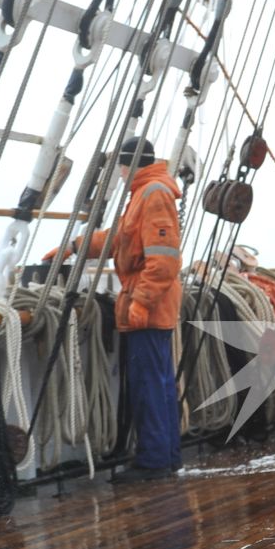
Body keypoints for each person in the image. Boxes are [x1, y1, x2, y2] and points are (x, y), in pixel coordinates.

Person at [104, 136, 183, 480]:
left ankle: (153, 462)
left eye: (120, 167)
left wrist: (140, 303)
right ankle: (168, 456)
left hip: (149, 307)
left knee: (149, 385)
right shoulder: (145, 192)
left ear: (126, 165)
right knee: (160, 384)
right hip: (154, 305)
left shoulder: (152, 194)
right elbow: (123, 239)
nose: (119, 174)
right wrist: (76, 246)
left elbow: (163, 261)